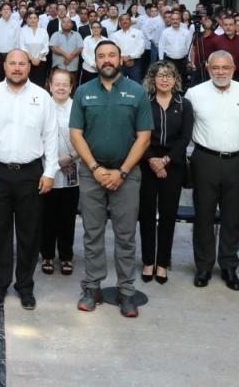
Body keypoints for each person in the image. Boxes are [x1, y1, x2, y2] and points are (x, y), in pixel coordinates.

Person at [68, 42, 152, 316]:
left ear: (120, 59)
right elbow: (76, 134)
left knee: (125, 235)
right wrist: (95, 168)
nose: (107, 60)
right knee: (92, 233)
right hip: (92, 173)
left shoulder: (137, 91)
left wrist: (122, 172)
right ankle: (92, 287)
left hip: (126, 174)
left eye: (112, 55)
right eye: (101, 56)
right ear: (94, 61)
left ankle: (126, 291)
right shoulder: (83, 91)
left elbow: (144, 138)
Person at [0, 49, 58, 310]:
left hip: (31, 174)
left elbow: (51, 136)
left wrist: (49, 172)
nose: (17, 68)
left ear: (29, 67)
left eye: (22, 63)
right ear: (4, 66)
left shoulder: (42, 97)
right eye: (13, 63)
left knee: (29, 233)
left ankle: (25, 285)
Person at [186, 50, 239, 289]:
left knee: (232, 217)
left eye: (225, 67)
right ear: (208, 68)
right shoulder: (194, 94)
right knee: (203, 216)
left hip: (237, 161)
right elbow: (189, 125)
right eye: (215, 67)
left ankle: (228, 266)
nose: (220, 72)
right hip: (205, 160)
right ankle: (204, 266)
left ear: (233, 68)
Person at [137, 61, 191, 285]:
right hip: (147, 162)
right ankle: (148, 261)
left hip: (173, 165)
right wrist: (153, 160)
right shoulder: (144, 102)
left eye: (169, 75)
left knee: (168, 216)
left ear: (175, 79)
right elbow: (139, 133)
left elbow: (185, 138)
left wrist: (165, 161)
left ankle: (162, 263)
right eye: (160, 75)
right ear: (152, 79)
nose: (165, 79)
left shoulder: (184, 104)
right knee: (147, 215)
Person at [39, 69, 81, 278]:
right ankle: (47, 254)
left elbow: (86, 136)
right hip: (46, 169)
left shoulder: (78, 108)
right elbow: (34, 137)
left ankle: (66, 255)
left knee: (67, 216)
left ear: (71, 87)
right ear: (50, 85)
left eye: (65, 84)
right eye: (57, 84)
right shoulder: (42, 106)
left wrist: (71, 157)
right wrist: (55, 162)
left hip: (72, 168)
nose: (61, 88)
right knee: (47, 215)